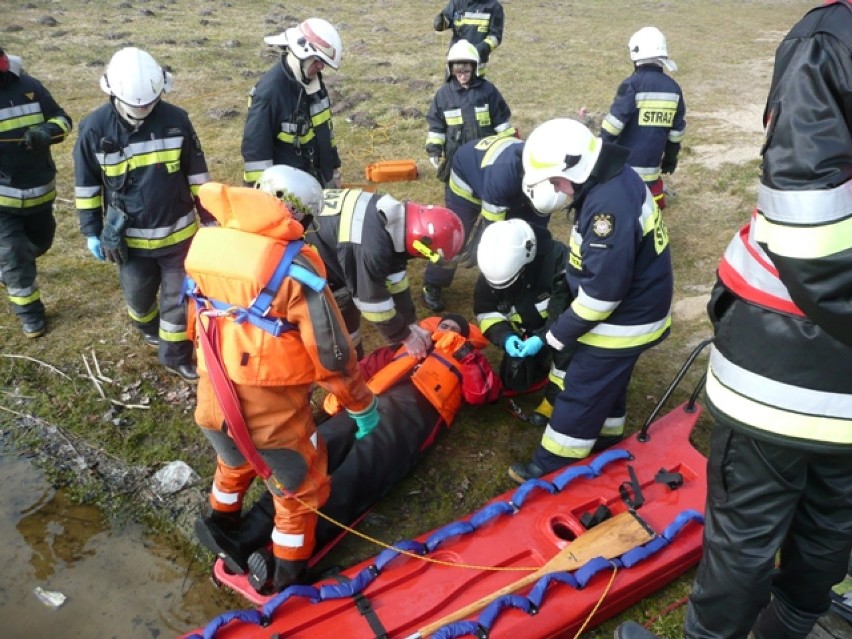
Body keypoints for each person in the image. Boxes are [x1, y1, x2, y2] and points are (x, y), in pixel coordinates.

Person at [616, 3, 852, 639]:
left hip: (785, 364)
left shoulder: (831, 41)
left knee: (744, 536)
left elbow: (810, 241)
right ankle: (792, 624)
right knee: (833, 516)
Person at [194, 313, 501, 591]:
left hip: (411, 419)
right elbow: (368, 367)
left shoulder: (466, 359)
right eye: (443, 326)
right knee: (306, 461)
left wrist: (464, 353)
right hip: (366, 406)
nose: (445, 331)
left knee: (351, 478)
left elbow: (483, 393)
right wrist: (344, 395)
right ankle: (245, 535)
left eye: (453, 329)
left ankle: (277, 558)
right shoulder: (411, 344)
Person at [185, 181, 378, 594]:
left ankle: (222, 525)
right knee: (299, 491)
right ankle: (286, 572)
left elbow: (193, 321)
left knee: (232, 463)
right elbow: (332, 355)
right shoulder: (296, 269)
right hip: (270, 416)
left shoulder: (209, 249)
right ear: (296, 215)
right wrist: (360, 407)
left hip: (212, 399)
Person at [511, 118, 673, 483]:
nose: (557, 189)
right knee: (607, 381)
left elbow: (602, 297)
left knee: (582, 387)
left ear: (575, 167)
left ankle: (551, 467)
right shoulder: (612, 178)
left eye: (555, 180)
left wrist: (555, 335)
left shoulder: (607, 209)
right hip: (641, 306)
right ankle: (605, 441)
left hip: (625, 318)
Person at [74, 47, 211, 381]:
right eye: (137, 106)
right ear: (114, 94)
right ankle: (146, 324)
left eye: (150, 104)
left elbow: (196, 173)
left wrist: (208, 218)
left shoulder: (176, 120)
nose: (144, 111)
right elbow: (87, 186)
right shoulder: (94, 129)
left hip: (178, 236)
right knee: (138, 298)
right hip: (130, 244)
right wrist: (91, 231)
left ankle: (174, 354)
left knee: (178, 301)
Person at [256, 165, 465, 359]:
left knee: (347, 315)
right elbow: (372, 302)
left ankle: (354, 357)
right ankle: (346, 360)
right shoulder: (370, 246)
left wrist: (410, 322)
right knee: (338, 319)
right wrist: (405, 337)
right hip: (292, 265)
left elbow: (396, 280)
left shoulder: (391, 216)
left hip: (327, 249)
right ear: (420, 242)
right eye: (426, 256)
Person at [421, 134, 552, 313]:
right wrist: (481, 244)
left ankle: (507, 290)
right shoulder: (503, 175)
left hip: (513, 190)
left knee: (520, 241)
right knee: (455, 236)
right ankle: (433, 283)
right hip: (468, 181)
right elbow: (494, 231)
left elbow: (535, 233)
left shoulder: (550, 187)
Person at [0, 48, 72, 338]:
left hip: (40, 193)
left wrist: (47, 132)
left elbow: (63, 120)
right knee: (15, 255)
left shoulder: (31, 87)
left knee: (41, 243)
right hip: (2, 201)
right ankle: (31, 315)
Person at [473, 219, 571, 427]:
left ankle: (554, 399)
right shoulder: (495, 265)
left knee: (569, 355)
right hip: (528, 332)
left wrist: (543, 338)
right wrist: (506, 337)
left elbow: (568, 313)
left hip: (564, 329)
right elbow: (485, 311)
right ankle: (539, 363)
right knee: (515, 380)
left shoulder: (559, 262)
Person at [241, 18, 343, 188]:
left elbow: (325, 132)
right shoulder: (270, 93)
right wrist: (262, 195)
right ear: (301, 52)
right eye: (317, 60)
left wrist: (332, 170)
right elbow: (256, 153)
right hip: (286, 189)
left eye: (323, 62)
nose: (321, 67)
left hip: (314, 182)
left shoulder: (313, 82)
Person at [600, 26, 685, 210]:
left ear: (635, 54)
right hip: (652, 170)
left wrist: (599, 152)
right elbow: (677, 132)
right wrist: (670, 157)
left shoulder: (632, 84)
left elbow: (613, 125)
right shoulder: (674, 88)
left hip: (624, 169)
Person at [425, 39, 514, 183]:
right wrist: (434, 151)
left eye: (466, 71)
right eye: (458, 72)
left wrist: (510, 146)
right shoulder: (443, 94)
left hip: (485, 151)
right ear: (451, 70)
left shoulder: (488, 91)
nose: (462, 76)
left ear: (474, 68)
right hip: (456, 153)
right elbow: (436, 127)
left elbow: (501, 121)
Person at [433, 0, 504, 74]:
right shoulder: (457, 2)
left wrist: (475, 50)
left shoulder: (494, 7)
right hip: (455, 60)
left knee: (476, 85)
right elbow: (447, 18)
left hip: (476, 64)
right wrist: (441, 22)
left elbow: (495, 38)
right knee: (451, 85)